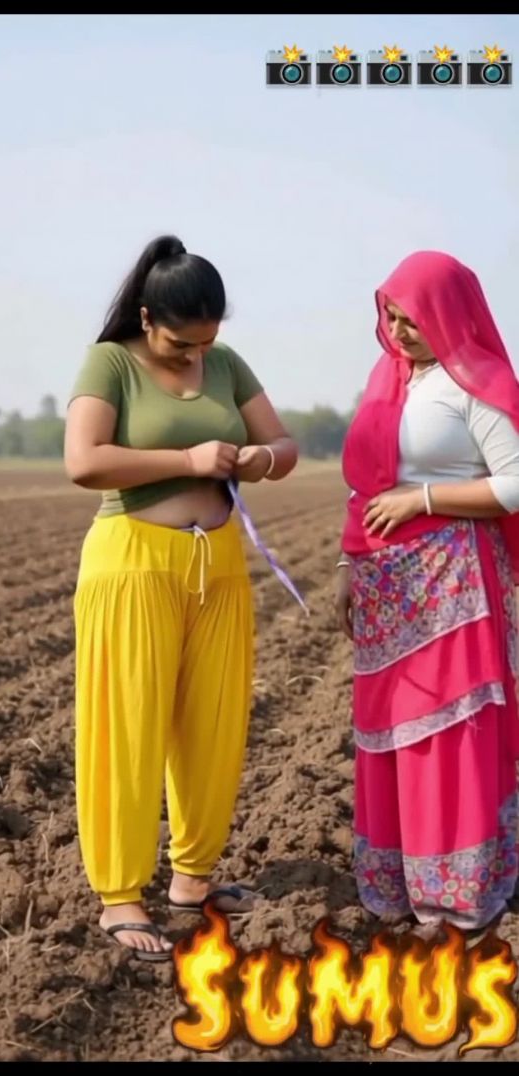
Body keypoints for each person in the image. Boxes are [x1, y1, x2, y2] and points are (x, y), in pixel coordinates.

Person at [64, 235, 298, 960]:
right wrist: (187, 459)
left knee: (214, 725)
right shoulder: (110, 363)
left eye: (206, 339)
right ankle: (120, 894)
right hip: (132, 564)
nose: (195, 352)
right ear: (146, 318)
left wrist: (260, 458)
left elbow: (284, 446)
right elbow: (84, 461)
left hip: (218, 565)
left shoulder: (225, 364)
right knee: (127, 727)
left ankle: (193, 880)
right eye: (180, 342)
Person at [336, 250, 519, 937]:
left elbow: (515, 482)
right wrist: (348, 565)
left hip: (455, 583)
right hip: (387, 587)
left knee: (450, 729)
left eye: (412, 319)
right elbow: (363, 486)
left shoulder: (479, 381)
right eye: (390, 316)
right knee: (394, 730)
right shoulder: (386, 383)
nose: (398, 331)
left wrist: (424, 499)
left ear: (448, 315)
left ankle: (455, 896)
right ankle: (399, 885)